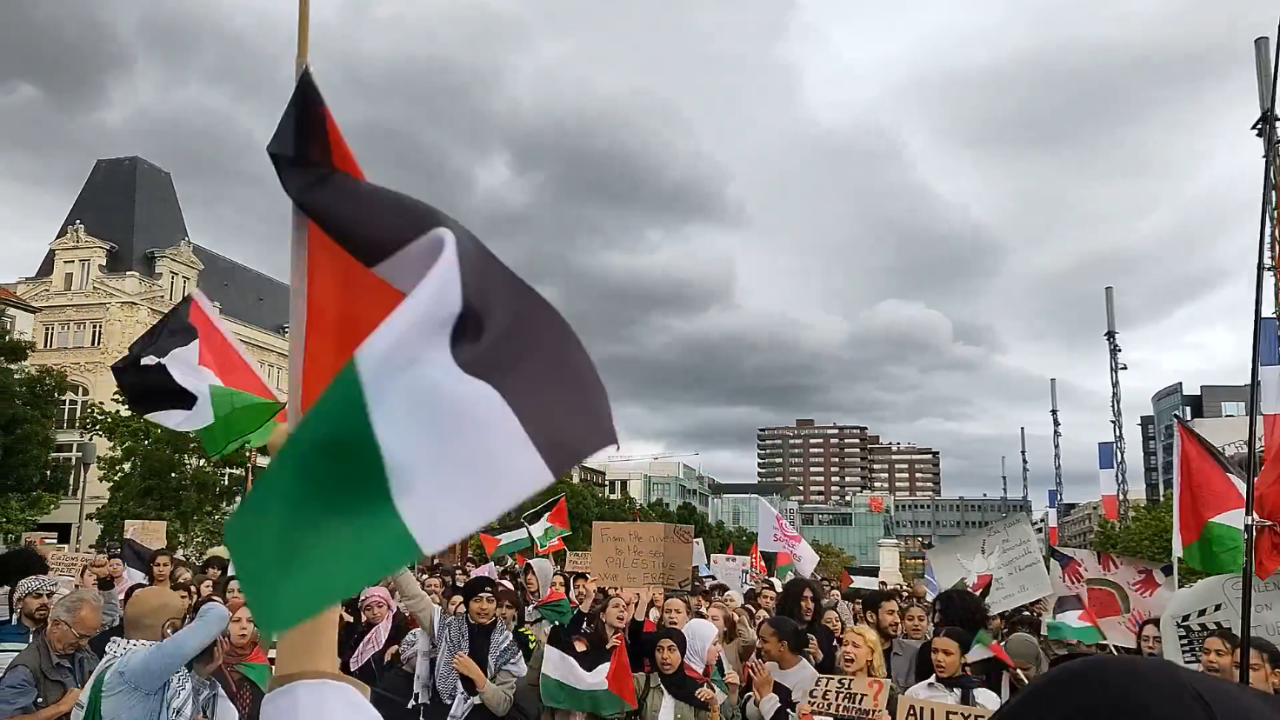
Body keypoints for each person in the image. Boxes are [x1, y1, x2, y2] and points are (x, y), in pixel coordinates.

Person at [71, 587, 232, 719]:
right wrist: (204, 606)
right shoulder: (136, 666)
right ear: (170, 629)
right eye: (184, 621)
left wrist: (198, 675)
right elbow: (217, 614)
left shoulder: (120, 660)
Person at [423, 576, 527, 720]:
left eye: (490, 601)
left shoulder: (506, 644)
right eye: (477, 600)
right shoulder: (447, 627)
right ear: (467, 603)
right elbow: (413, 597)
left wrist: (477, 676)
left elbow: (503, 706)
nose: (484, 606)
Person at [0, 590, 102, 720]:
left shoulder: (85, 653)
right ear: (56, 625)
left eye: (89, 637)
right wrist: (60, 707)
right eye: (80, 636)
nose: (84, 643)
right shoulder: (25, 669)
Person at [631, 627, 734, 720]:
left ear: (681, 652)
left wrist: (714, 706)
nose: (664, 656)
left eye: (671, 650)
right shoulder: (642, 683)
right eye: (659, 650)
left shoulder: (696, 691)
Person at [800, 625, 899, 719]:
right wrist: (804, 714)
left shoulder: (888, 694)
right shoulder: (827, 688)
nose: (847, 650)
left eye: (855, 646)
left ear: (870, 655)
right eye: (845, 644)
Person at [904, 627, 1000, 711]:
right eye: (934, 651)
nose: (939, 658)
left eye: (947, 653)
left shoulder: (987, 699)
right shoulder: (915, 695)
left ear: (963, 657)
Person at [743, 616, 818, 720]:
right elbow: (752, 716)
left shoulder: (809, 677)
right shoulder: (768, 667)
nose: (759, 645)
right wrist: (757, 702)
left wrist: (766, 697)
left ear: (782, 645)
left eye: (764, 641)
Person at [340, 586, 411, 690]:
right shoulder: (361, 634)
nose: (375, 612)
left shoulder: (403, 629)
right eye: (368, 609)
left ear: (388, 606)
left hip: (392, 693)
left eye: (380, 606)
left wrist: (400, 647)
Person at [211, 599, 269, 720]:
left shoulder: (260, 663)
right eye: (236, 621)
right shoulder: (211, 660)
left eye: (250, 621)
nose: (244, 626)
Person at [860, 590, 919, 690]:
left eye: (897, 613)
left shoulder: (912, 654)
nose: (897, 620)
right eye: (890, 613)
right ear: (871, 617)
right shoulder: (854, 653)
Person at [0, 578, 59, 675]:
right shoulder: (2, 633)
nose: (45, 601)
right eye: (37, 596)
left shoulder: (57, 636)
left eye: (49, 596)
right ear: (20, 602)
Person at [775, 579, 836, 674]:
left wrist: (819, 656)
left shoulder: (826, 633)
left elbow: (833, 673)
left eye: (812, 600)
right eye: (803, 599)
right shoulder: (775, 631)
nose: (809, 606)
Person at [1002, 632, 1048, 698]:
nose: (1019, 674)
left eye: (1025, 669)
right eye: (1014, 668)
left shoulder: (1050, 685)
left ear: (1037, 664)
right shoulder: (996, 682)